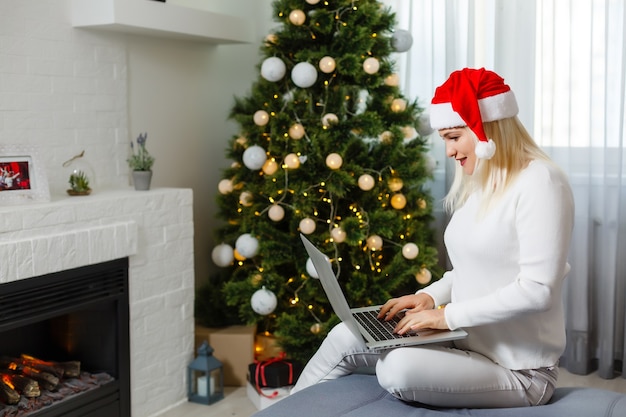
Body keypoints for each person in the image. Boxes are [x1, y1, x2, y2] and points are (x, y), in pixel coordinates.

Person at [291, 68, 575, 409]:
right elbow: (470, 271)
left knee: (397, 368)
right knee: (344, 335)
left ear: (487, 128)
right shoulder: (482, 184)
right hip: (463, 343)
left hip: (520, 371)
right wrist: (428, 297)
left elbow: (537, 290)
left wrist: (446, 317)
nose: (450, 152)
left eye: (454, 137)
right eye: (445, 140)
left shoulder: (540, 182)